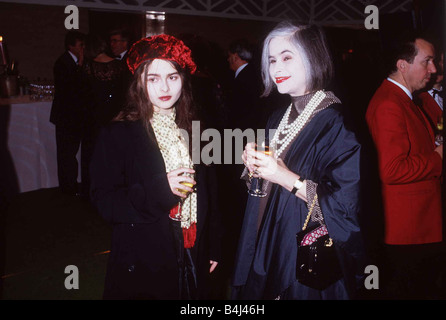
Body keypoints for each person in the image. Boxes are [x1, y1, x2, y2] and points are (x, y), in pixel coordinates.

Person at [231, 22, 365, 300]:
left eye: (287, 57)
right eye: (271, 60)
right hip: (268, 244)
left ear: (313, 57)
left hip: (304, 257)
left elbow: (345, 210)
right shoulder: (278, 117)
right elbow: (266, 191)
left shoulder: (336, 122)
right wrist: (254, 167)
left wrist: (283, 176)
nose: (276, 68)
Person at [89, 34, 221, 300]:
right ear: (140, 83)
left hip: (192, 247)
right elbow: (104, 201)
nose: (165, 87)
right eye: (153, 78)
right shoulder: (118, 133)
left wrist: (213, 247)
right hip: (145, 253)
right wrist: (161, 189)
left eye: (172, 77)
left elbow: (212, 193)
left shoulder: (198, 130)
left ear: (183, 80)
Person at [366, 34, 443, 299]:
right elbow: (392, 170)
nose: (433, 69)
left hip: (421, 224)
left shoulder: (406, 98)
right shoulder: (389, 103)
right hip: (409, 230)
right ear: (402, 65)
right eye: (427, 62)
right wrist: (438, 157)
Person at [50, 31, 88, 196]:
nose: (83, 49)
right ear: (71, 46)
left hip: (74, 117)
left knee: (70, 154)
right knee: (66, 154)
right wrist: (79, 66)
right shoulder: (63, 63)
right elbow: (71, 89)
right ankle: (67, 188)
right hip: (66, 117)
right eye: (80, 45)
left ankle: (71, 186)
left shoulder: (74, 63)